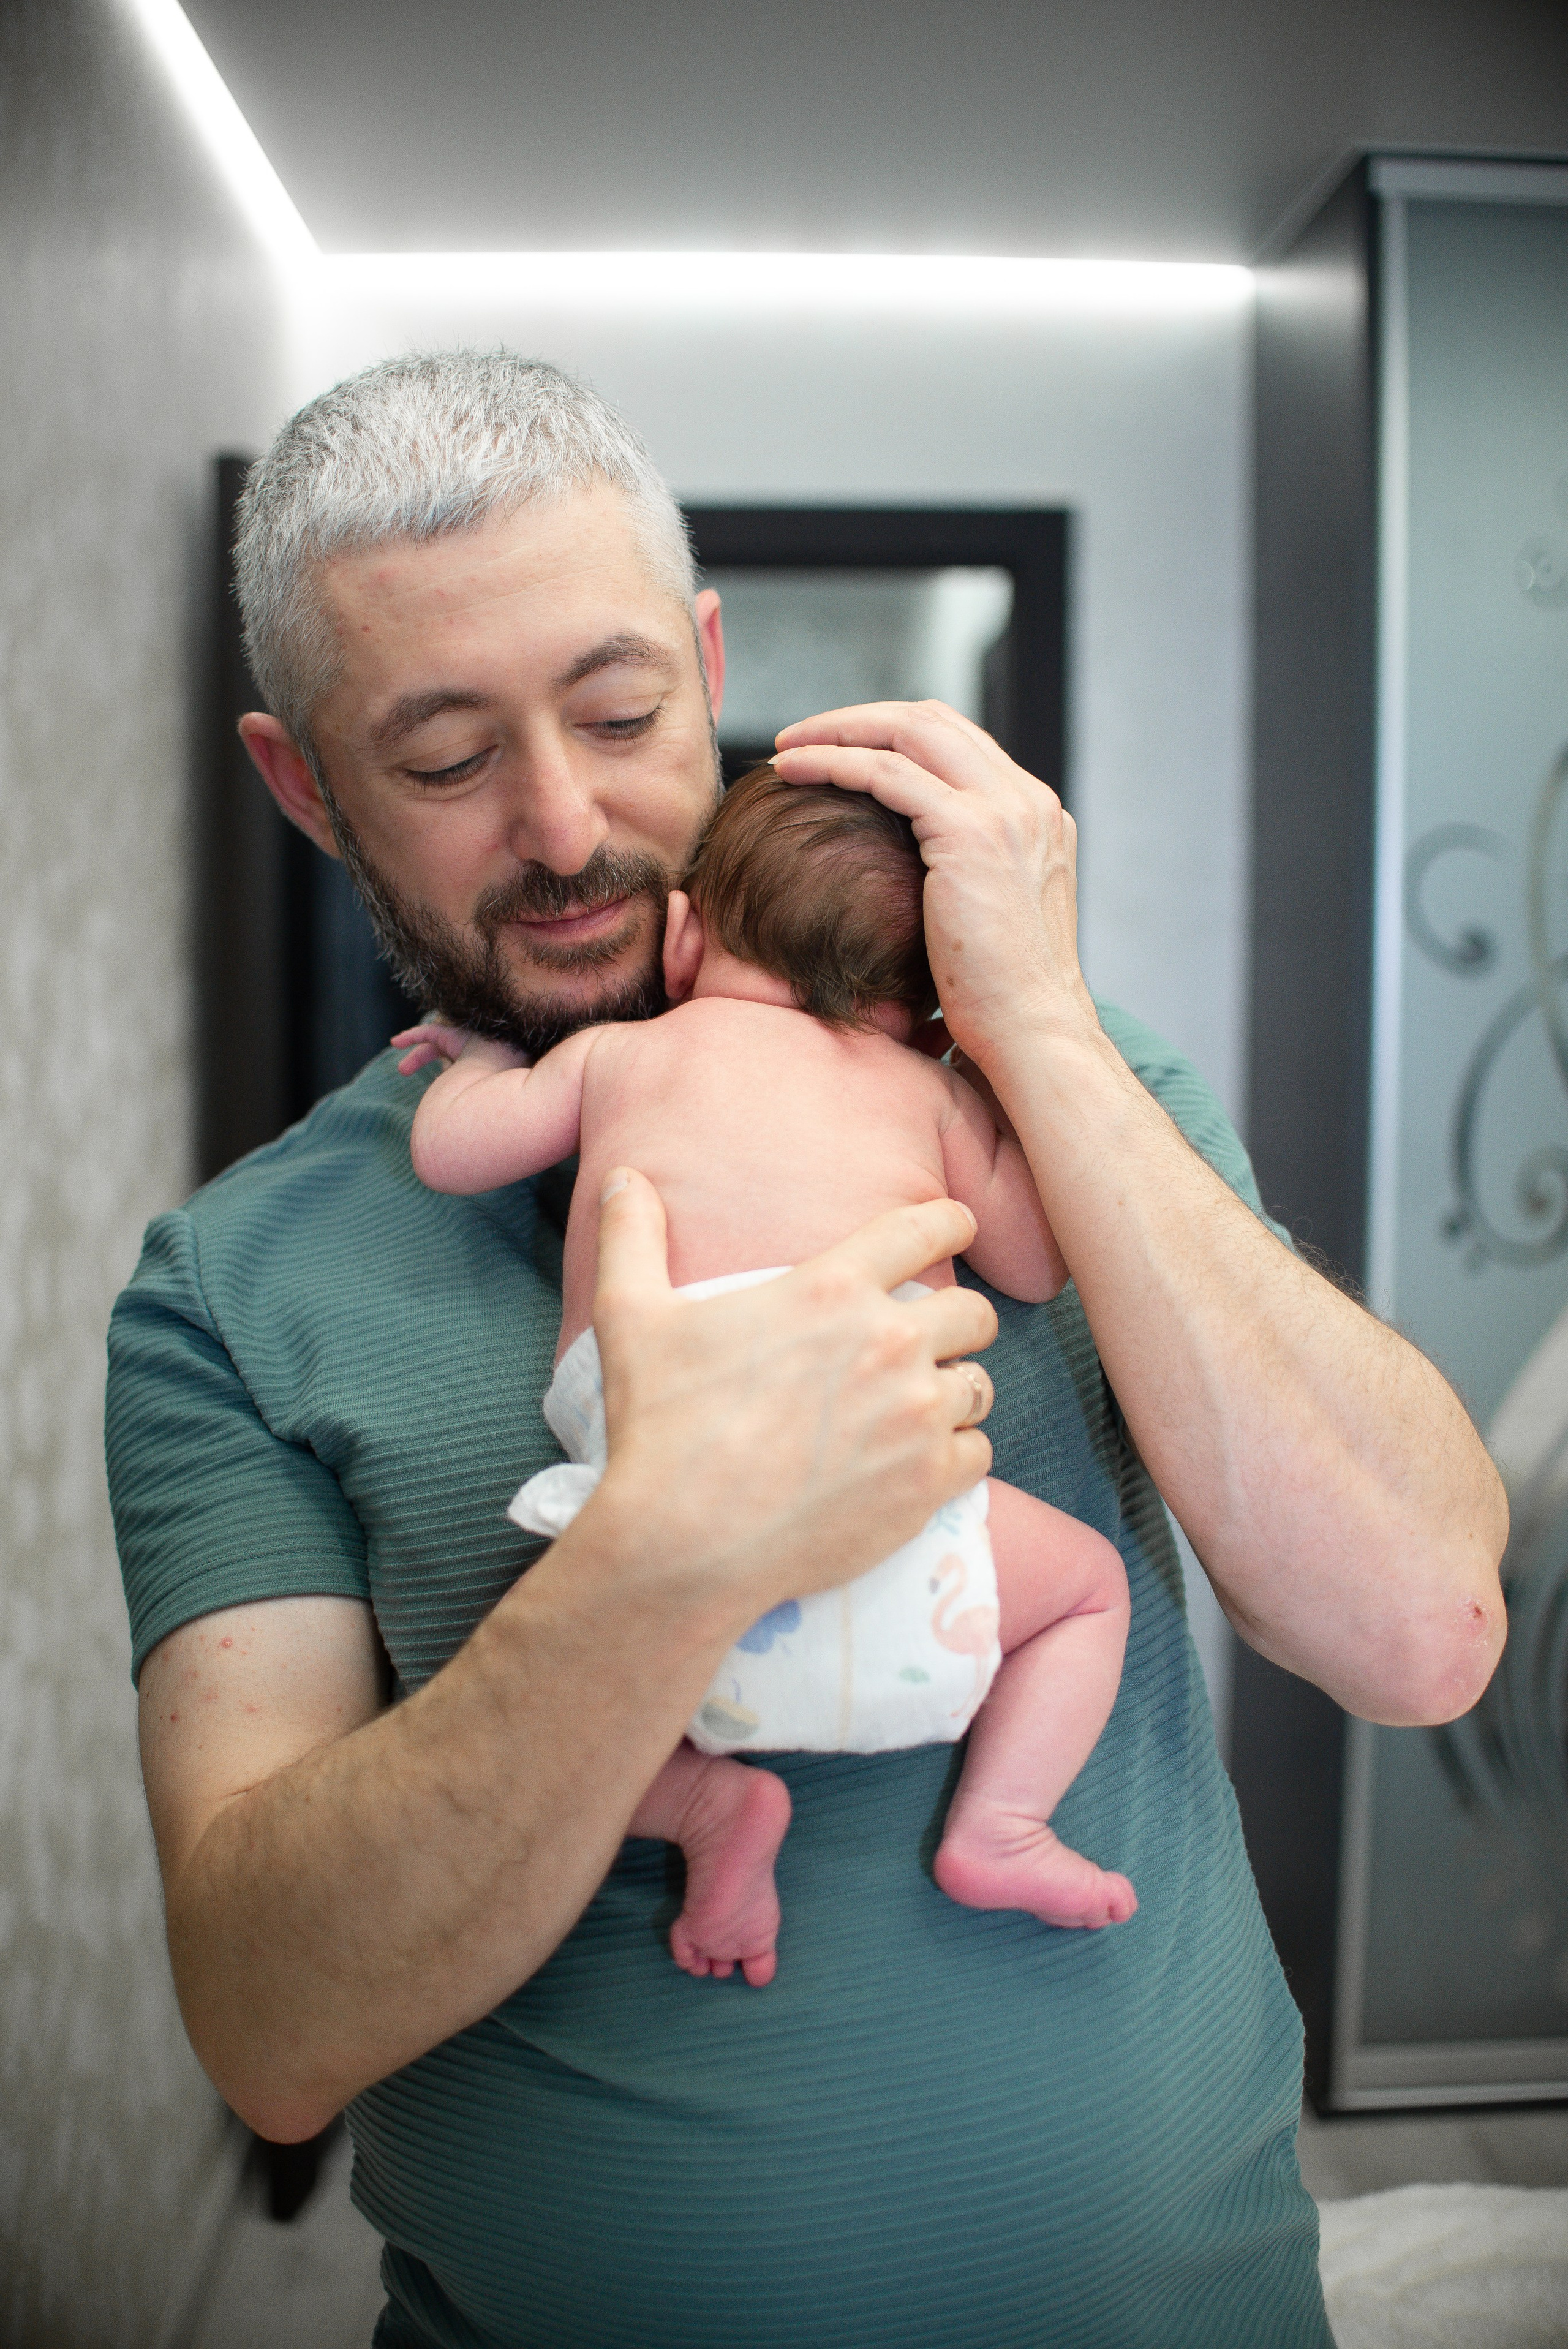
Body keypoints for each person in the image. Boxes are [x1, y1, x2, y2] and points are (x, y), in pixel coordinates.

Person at [108, 352, 1507, 2349]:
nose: (570, 822)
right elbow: (272, 2032)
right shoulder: (232, 1285)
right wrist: (666, 1545)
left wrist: (1035, 1025)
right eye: (441, 759)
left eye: (618, 711)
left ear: (708, 657)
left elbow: (1425, 1632)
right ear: (304, 782)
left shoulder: (1053, 1093)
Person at [393, 764, 1137, 1986]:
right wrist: (988, 1078)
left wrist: (477, 1055)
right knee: (1086, 1592)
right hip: (908, 1518)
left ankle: (703, 1806)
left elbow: (449, 1150)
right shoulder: (923, 1089)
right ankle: (997, 1822)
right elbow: (1036, 1262)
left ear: (683, 930)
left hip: (656, 1501)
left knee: (536, 1697)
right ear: (925, 1007)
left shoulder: (624, 1055)